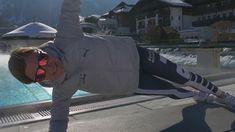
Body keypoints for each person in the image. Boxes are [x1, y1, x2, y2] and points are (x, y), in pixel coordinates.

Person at [8, 0, 235, 132]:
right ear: (37, 80)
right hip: (132, 83)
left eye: (42, 60)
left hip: (137, 55)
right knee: (176, 91)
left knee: (185, 76)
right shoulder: (61, 90)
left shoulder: (65, 38)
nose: (47, 69)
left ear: (40, 51)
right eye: (39, 73)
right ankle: (202, 98)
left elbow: (70, 6)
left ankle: (222, 95)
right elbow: (58, 119)